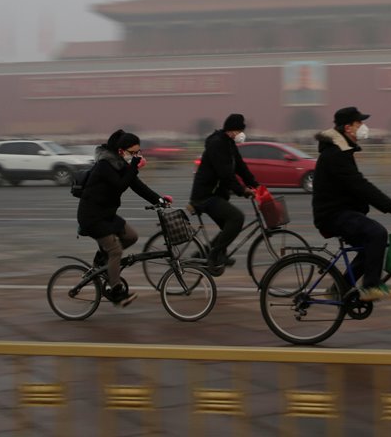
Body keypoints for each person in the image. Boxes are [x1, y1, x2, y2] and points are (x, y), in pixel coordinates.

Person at [312, 106, 391, 301]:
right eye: (359, 122)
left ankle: (339, 288)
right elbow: (361, 186)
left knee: (371, 246)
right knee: (377, 233)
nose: (363, 126)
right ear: (348, 128)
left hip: (339, 211)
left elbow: (357, 186)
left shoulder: (341, 150)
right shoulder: (336, 154)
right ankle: (370, 286)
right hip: (332, 215)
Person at [77, 129, 172, 307]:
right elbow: (120, 185)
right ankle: (116, 292)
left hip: (107, 214)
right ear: (121, 151)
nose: (137, 156)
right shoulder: (105, 165)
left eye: (139, 152)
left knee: (131, 236)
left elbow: (138, 186)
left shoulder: (121, 165)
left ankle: (102, 261)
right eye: (133, 153)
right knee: (115, 251)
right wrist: (134, 166)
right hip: (92, 216)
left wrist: (159, 200)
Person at [189, 113, 258, 275]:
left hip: (216, 195)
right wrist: (242, 190)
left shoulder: (229, 143)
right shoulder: (217, 144)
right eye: (240, 130)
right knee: (236, 218)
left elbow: (241, 167)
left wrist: (256, 185)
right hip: (205, 196)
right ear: (232, 130)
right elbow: (225, 174)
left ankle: (203, 255)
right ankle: (214, 254)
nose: (241, 133)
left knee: (229, 227)